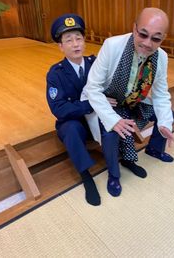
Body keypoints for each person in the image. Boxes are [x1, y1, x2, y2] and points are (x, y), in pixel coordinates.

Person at [82, 7, 174, 178]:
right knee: (112, 131)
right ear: (134, 28)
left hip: (133, 101)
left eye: (156, 38)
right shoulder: (112, 45)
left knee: (167, 114)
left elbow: (161, 95)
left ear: (163, 38)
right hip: (108, 100)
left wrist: (165, 124)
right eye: (143, 34)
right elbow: (92, 87)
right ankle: (114, 174)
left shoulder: (161, 57)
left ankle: (154, 149)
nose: (148, 43)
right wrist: (113, 119)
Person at [46, 14, 122, 207]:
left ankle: (121, 161)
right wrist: (93, 104)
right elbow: (59, 108)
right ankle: (85, 175)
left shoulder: (95, 63)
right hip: (75, 122)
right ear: (61, 47)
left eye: (78, 38)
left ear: (84, 41)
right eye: (68, 40)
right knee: (70, 129)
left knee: (115, 117)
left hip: (95, 118)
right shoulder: (56, 73)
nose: (75, 44)